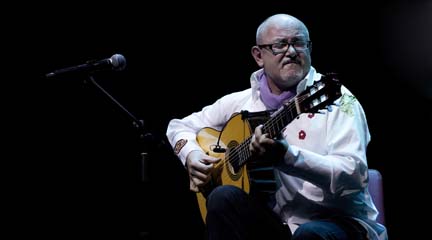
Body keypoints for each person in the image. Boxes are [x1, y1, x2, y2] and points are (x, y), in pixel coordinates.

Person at [166, 13, 387, 240]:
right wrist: (191, 155)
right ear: (258, 55)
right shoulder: (241, 102)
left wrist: (287, 156)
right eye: (280, 45)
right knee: (223, 197)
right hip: (277, 224)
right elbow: (177, 126)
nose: (291, 52)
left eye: (299, 43)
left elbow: (354, 175)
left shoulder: (338, 100)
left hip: (339, 222)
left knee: (309, 234)